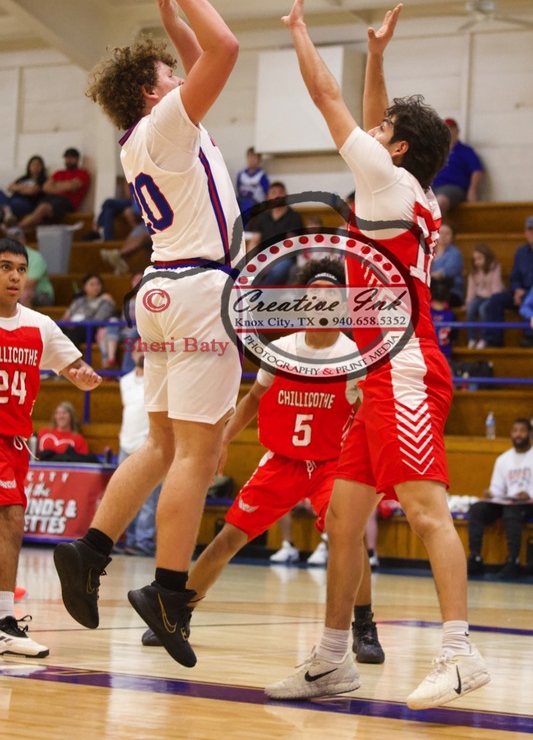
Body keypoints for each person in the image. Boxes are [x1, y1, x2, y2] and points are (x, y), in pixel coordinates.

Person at [265, 0, 489, 709]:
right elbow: (369, 118)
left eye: (383, 129)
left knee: (425, 511)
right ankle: (332, 660)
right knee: (342, 517)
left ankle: (459, 653)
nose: (370, 131)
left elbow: (326, 97)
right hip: (381, 369)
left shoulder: (388, 186)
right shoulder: (404, 188)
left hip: (405, 365)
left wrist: (299, 30)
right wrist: (378, 58)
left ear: (395, 149)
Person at [53, 0, 245, 669]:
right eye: (169, 74)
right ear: (150, 92)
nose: (181, 76)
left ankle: (90, 549)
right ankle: (166, 591)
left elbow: (200, 57)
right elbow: (224, 49)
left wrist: (168, 14)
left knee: (161, 445)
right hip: (197, 291)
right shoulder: (167, 125)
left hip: (163, 288)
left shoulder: (151, 134)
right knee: (197, 452)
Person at [141, 257, 385, 665]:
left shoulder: (353, 358)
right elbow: (254, 398)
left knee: (350, 538)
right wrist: (222, 440)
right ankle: (177, 614)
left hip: (331, 465)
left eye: (331, 296)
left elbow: (373, 414)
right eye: (314, 295)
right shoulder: (281, 350)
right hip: (282, 461)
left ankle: (364, 626)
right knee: (227, 539)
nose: (321, 303)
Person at [0, 236, 101, 658]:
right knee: (11, 517)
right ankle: (4, 621)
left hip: (16, 442)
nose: (15, 276)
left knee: (10, 521)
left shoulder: (40, 325)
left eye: (21, 269)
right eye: (6, 267)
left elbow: (73, 366)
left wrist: (83, 376)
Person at [467, 418, 533, 580]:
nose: (518, 434)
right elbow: (497, 489)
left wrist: (529, 494)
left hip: (528, 503)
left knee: (511, 513)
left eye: (522, 431)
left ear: (530, 434)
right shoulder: (503, 459)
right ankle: (475, 558)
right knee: (476, 509)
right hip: (508, 501)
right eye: (515, 431)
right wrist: (491, 494)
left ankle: (513, 561)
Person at [117, 351, 160, 556]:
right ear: (132, 354)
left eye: (145, 348)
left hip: (148, 443)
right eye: (138, 349)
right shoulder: (124, 381)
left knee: (149, 496)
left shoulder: (158, 378)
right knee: (125, 495)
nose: (141, 352)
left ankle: (144, 541)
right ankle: (129, 538)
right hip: (125, 443)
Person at [483, 217, 533, 348]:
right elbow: (514, 276)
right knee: (495, 300)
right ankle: (493, 340)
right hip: (521, 292)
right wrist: (517, 290)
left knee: (529, 300)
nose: (532, 233)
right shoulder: (521, 252)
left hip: (531, 293)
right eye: (530, 230)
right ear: (525, 233)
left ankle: (530, 337)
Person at [17, 148, 90, 231]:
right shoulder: (59, 173)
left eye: (72, 157)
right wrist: (65, 185)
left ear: (77, 159)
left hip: (67, 202)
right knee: (35, 209)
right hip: (51, 198)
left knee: (43, 208)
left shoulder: (83, 173)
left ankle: (17, 229)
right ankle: (19, 230)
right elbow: (45, 187)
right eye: (67, 157)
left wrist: (55, 185)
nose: (69, 160)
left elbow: (72, 186)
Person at [246, 181, 303, 284]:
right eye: (273, 192)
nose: (277, 195)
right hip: (263, 255)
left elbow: (290, 244)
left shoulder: (294, 216)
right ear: (268, 197)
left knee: (277, 271)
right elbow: (254, 241)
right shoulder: (262, 217)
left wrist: (270, 261)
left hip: (284, 257)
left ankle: (259, 294)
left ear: (285, 195)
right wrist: (249, 259)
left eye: (280, 192)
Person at [61, 273, 118, 368]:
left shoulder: (105, 301)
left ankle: (73, 366)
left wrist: (79, 323)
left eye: (98, 284)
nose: (96, 287)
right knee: (57, 330)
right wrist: (67, 321)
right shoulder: (78, 301)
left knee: (73, 334)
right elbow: (66, 317)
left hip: (91, 330)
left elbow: (98, 320)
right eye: (92, 284)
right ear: (84, 287)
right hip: (72, 327)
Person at [431, 118, 483, 215]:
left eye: (451, 129)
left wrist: (472, 190)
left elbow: (476, 171)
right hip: (432, 187)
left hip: (453, 188)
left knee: (440, 202)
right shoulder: (436, 151)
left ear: (457, 131)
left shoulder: (466, 151)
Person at [464, 244, 505, 349]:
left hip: (492, 297)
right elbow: (471, 288)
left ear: (486, 257)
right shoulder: (474, 270)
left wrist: (493, 300)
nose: (477, 262)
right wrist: (468, 302)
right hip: (479, 296)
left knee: (483, 309)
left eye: (479, 258)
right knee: (470, 309)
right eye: (475, 259)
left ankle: (484, 338)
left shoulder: (495, 267)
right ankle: (471, 338)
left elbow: (496, 287)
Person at [6, 227, 54, 308]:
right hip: (12, 290)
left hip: (40, 294)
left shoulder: (35, 257)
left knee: (25, 293)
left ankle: (23, 317)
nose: (14, 244)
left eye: (17, 240)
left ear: (23, 240)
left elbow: (30, 284)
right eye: (11, 241)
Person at [0, 155, 47, 226]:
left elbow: (32, 191)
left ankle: (7, 212)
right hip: (12, 200)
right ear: (29, 166)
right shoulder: (24, 178)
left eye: (38, 164)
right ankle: (8, 213)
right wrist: (25, 189)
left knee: (13, 203)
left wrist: (18, 188)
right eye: (33, 164)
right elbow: (10, 187)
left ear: (42, 167)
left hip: (28, 203)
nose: (35, 166)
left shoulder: (43, 179)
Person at [430, 222, 464, 307]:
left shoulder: (455, 253)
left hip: (450, 291)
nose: (443, 236)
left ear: (452, 237)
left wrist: (430, 276)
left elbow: (447, 272)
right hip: (432, 289)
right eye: (441, 233)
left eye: (447, 233)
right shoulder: (429, 251)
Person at [235, 146, 269, 215]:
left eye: (254, 157)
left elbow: (267, 193)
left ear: (259, 160)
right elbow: (238, 189)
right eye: (250, 157)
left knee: (247, 205)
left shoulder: (262, 176)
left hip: (255, 203)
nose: (252, 160)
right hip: (242, 200)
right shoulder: (241, 174)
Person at [430, 280, 456, 361]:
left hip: (431, 352)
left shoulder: (427, 313)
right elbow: (454, 336)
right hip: (445, 352)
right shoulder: (451, 315)